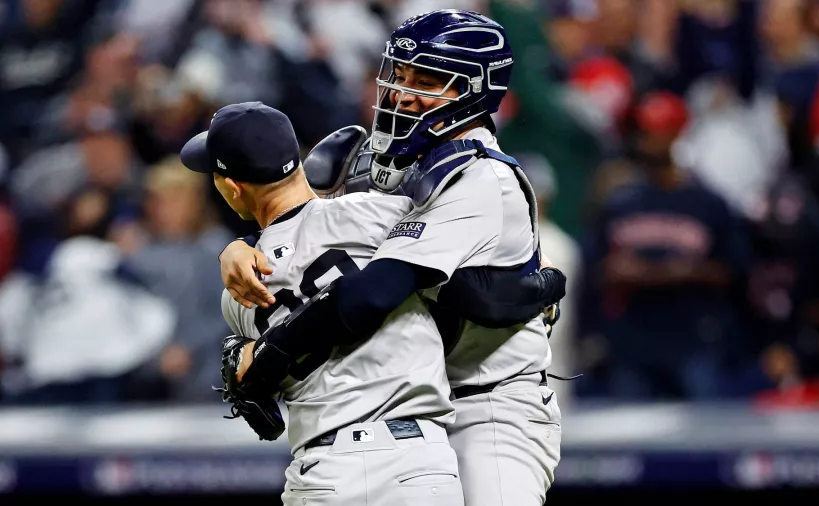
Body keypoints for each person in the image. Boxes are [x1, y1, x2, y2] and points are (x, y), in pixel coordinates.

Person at [221, 10, 564, 505]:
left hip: (490, 402)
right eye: (399, 76)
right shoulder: (394, 160)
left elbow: (373, 292)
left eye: (427, 80)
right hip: (415, 407)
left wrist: (272, 355)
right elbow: (301, 233)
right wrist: (236, 248)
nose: (403, 93)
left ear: (474, 89)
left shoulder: (481, 178)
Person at [180, 101, 464, 506]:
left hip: (326, 470)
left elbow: (252, 371)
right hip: (417, 462)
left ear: (232, 187)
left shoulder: (238, 293)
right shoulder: (380, 214)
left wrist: (237, 248)